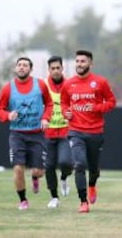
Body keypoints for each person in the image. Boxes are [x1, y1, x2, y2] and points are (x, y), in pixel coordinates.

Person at [61, 50, 116, 213]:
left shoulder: (100, 82)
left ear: (90, 64)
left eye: (83, 61)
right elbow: (64, 103)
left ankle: (92, 184)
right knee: (79, 164)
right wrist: (66, 112)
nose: (79, 64)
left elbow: (112, 102)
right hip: (75, 130)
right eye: (77, 61)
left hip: (95, 131)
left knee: (93, 169)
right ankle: (83, 201)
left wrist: (97, 107)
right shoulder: (68, 83)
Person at [0, 57, 53, 210]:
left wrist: (46, 118)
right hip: (17, 134)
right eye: (19, 65)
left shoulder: (40, 85)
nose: (21, 67)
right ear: (15, 68)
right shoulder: (8, 88)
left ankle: (35, 177)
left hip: (37, 134)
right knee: (18, 168)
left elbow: (50, 104)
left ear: (30, 69)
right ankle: (23, 200)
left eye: (25, 65)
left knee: (39, 171)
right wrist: (7, 115)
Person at [44, 56, 73, 209]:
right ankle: (54, 197)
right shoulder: (43, 86)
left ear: (62, 69)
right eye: (52, 68)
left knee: (65, 162)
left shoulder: (69, 85)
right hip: (48, 132)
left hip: (65, 131)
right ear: (49, 70)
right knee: (49, 166)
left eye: (58, 68)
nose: (55, 71)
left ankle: (64, 177)